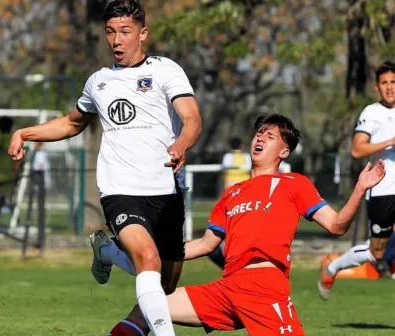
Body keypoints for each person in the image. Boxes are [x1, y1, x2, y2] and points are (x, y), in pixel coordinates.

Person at [7, 0, 202, 336]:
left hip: (166, 190)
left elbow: (192, 119)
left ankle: (109, 254)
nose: (116, 40)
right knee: (149, 260)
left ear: (142, 33)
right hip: (120, 189)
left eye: (125, 31)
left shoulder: (165, 70)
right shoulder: (99, 81)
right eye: (110, 31)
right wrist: (26, 132)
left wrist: (182, 143)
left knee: (166, 284)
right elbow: (72, 123)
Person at [97, 113, 384, 336]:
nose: (260, 138)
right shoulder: (231, 193)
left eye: (270, 136)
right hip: (226, 288)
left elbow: (336, 226)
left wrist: (360, 188)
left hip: (264, 289)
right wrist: (157, 254)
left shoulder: (294, 184)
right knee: (149, 306)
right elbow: (206, 244)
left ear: (284, 152)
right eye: (259, 133)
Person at [318, 61, 395, 301]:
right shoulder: (372, 113)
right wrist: (389, 141)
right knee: (376, 252)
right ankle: (333, 268)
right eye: (384, 83)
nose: (390, 87)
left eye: (394, 82)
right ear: (376, 87)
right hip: (382, 190)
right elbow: (357, 150)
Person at [0, 116, 21, 222]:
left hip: (1, 174)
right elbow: (19, 159)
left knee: (3, 198)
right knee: (9, 197)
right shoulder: (13, 139)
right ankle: (15, 220)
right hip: (11, 174)